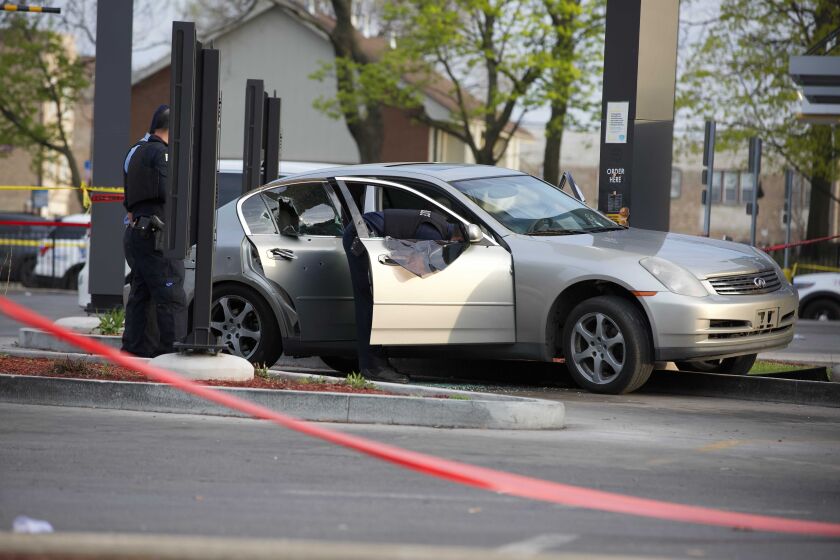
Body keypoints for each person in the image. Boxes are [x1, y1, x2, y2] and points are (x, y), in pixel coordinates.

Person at [342, 208, 465, 383]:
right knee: (367, 304)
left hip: (366, 229)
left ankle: (375, 362)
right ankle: (372, 366)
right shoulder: (431, 233)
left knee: (371, 303)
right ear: (457, 239)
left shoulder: (440, 224)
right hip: (361, 234)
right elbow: (416, 264)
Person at [120, 105, 186, 357]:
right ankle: (173, 355)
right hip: (157, 236)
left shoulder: (136, 152)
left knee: (142, 294)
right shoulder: (163, 155)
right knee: (171, 296)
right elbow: (168, 193)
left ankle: (136, 351)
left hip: (137, 232)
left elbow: (129, 202)